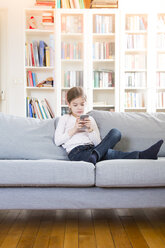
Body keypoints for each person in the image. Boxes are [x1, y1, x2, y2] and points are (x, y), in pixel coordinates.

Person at [54, 86, 163, 165]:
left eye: (82, 104)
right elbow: (57, 141)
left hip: (93, 149)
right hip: (76, 152)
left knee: (116, 133)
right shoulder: (65, 119)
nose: (79, 108)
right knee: (111, 154)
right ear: (68, 105)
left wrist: (90, 130)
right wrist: (74, 129)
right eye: (75, 105)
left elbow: (98, 143)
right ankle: (143, 155)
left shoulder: (90, 119)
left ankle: (95, 156)